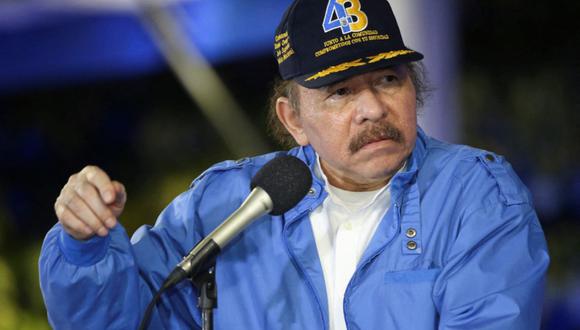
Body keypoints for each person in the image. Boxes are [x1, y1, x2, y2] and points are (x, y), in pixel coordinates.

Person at [39, 0, 550, 329]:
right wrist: (83, 248)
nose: (372, 107)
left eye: (389, 79)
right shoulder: (225, 204)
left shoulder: (476, 194)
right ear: (294, 119)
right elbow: (121, 321)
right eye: (341, 91)